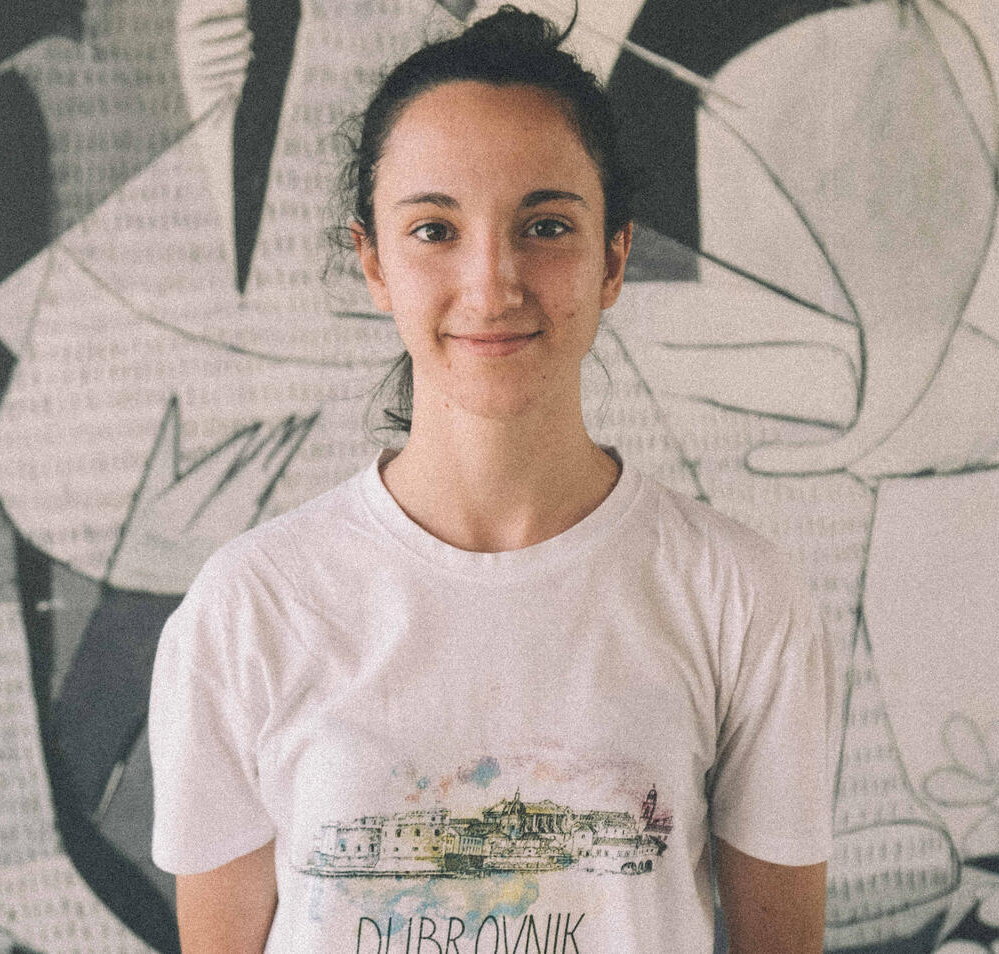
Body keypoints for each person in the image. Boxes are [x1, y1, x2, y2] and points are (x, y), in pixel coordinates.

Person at [148, 6, 836, 952]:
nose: (493, 283)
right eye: (434, 229)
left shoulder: (739, 596)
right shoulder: (247, 607)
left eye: (545, 226)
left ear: (614, 258)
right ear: (373, 263)